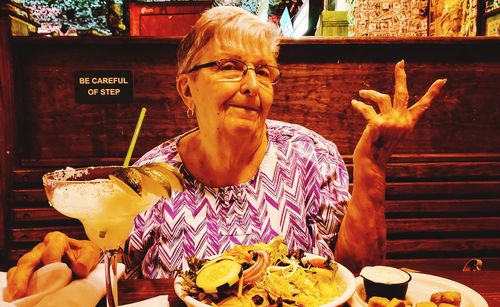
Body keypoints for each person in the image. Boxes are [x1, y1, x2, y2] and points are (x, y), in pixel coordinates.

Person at [6, 5, 446, 297]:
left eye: (265, 71)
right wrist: (73, 255)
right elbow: (109, 268)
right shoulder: (151, 177)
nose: (252, 86)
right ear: (186, 89)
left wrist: (370, 169)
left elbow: (356, 279)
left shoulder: (312, 158)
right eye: (230, 67)